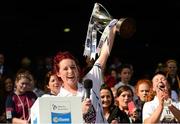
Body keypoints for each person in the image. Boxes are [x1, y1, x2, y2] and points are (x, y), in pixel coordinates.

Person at [55, 22, 117, 123]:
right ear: (58, 73)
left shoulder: (90, 80)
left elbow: (104, 55)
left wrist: (113, 28)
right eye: (65, 69)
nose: (70, 71)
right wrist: (79, 112)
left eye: (73, 67)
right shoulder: (59, 101)